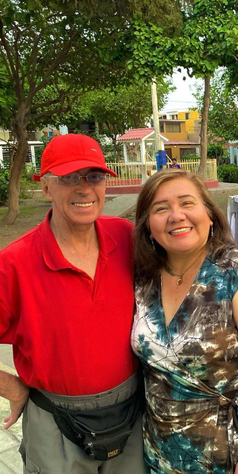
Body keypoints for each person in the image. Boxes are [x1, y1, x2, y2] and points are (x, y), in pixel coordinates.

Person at [0, 134, 147, 474]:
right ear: (46, 188)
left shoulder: (125, 238)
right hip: (54, 421)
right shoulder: (14, 263)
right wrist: (11, 386)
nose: (84, 189)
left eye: (93, 177)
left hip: (130, 415)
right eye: (68, 178)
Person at [132, 169, 238, 474]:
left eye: (187, 203)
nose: (176, 215)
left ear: (209, 215)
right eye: (161, 208)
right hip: (160, 455)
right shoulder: (145, 278)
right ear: (148, 226)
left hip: (228, 458)